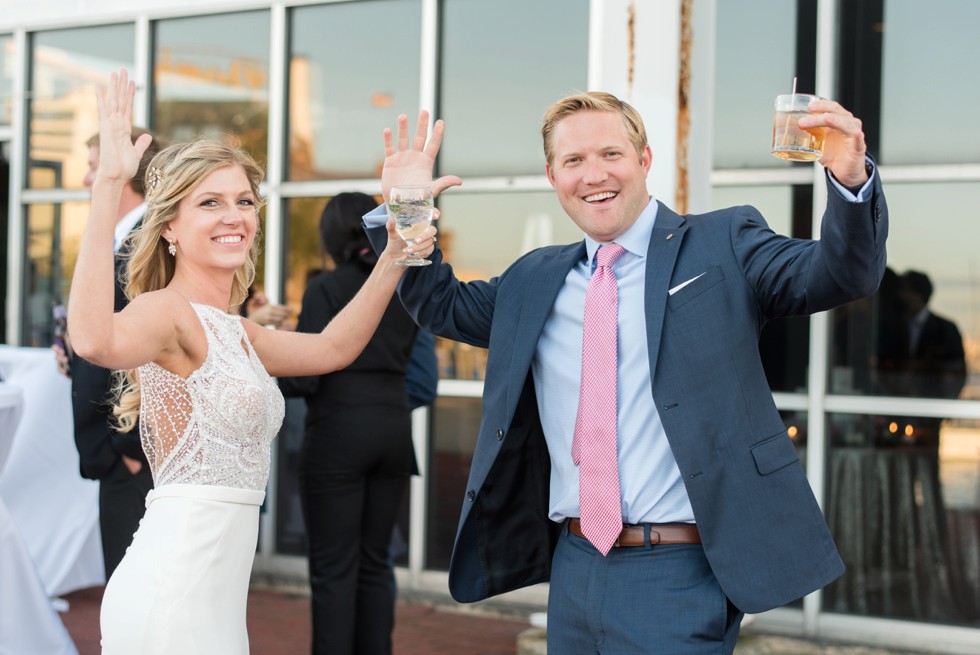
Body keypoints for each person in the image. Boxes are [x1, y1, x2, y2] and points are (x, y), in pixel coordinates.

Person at [363, 93, 888, 653]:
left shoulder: (723, 243)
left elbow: (839, 274)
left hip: (681, 572)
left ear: (644, 159)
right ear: (551, 175)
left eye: (610, 153)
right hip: (574, 565)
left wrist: (849, 179)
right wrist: (407, 207)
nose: (594, 175)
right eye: (573, 161)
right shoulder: (533, 278)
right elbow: (438, 303)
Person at [66, 69, 436, 654]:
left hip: (217, 602)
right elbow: (92, 339)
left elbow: (335, 349)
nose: (234, 215)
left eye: (244, 200)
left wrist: (400, 234)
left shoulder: (238, 332)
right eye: (209, 202)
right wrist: (108, 183)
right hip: (171, 593)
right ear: (169, 231)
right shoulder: (169, 313)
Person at [279, 192, 421, 655]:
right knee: (376, 564)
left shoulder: (325, 288)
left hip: (339, 436)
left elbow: (309, 375)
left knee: (334, 569)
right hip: (394, 430)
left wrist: (275, 357)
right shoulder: (402, 283)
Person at [53, 124, 164, 579]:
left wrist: (130, 446)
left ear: (128, 174)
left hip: (133, 451)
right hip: (116, 451)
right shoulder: (120, 237)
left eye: (94, 167)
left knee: (133, 593)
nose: (85, 180)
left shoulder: (148, 244)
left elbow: (154, 348)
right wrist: (74, 352)